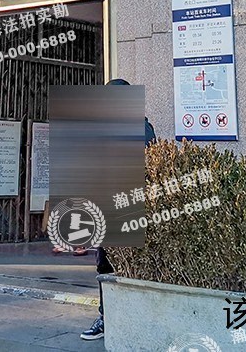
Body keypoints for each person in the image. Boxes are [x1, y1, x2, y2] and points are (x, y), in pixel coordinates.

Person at [80, 78, 155, 342]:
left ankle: (128, 319)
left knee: (127, 266)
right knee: (105, 266)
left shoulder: (141, 129)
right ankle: (108, 316)